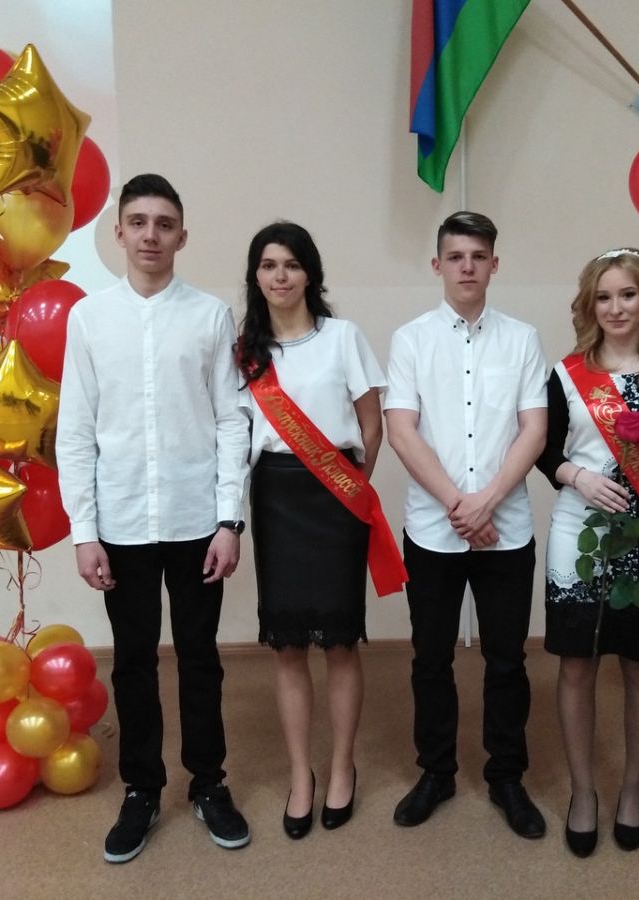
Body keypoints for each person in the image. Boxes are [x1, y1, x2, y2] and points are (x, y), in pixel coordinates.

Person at [56, 174, 251, 863]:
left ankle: (208, 783)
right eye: (137, 222)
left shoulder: (209, 316)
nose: (150, 235)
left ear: (182, 236)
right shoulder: (89, 319)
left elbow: (232, 421)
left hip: (197, 519)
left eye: (164, 224)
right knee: (134, 662)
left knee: (200, 659)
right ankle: (141, 789)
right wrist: (84, 532)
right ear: (118, 232)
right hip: (122, 522)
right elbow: (75, 432)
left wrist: (229, 520)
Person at [384, 211, 549, 839]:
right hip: (433, 530)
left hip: (507, 529)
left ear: (494, 264)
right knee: (431, 658)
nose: (467, 267)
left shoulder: (523, 340)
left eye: (478, 256)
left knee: (507, 659)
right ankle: (437, 772)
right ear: (437, 265)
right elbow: (402, 431)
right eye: (455, 256)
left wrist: (489, 501)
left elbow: (534, 429)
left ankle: (506, 776)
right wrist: (460, 503)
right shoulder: (411, 340)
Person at [236, 221, 403, 839]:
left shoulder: (343, 337)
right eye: (268, 265)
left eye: (291, 264)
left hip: (335, 497)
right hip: (277, 496)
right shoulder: (247, 352)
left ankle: (341, 767)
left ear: (310, 273)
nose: (280, 276)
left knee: (339, 641)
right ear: (255, 277)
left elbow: (371, 424)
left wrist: (352, 488)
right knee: (287, 643)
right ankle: (300, 774)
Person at [535, 247, 639, 857]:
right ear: (589, 305)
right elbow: (546, 452)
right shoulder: (566, 374)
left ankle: (633, 789)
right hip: (576, 533)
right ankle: (583, 793)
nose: (616, 307)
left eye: (627, 294)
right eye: (603, 297)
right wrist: (577, 476)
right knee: (576, 664)